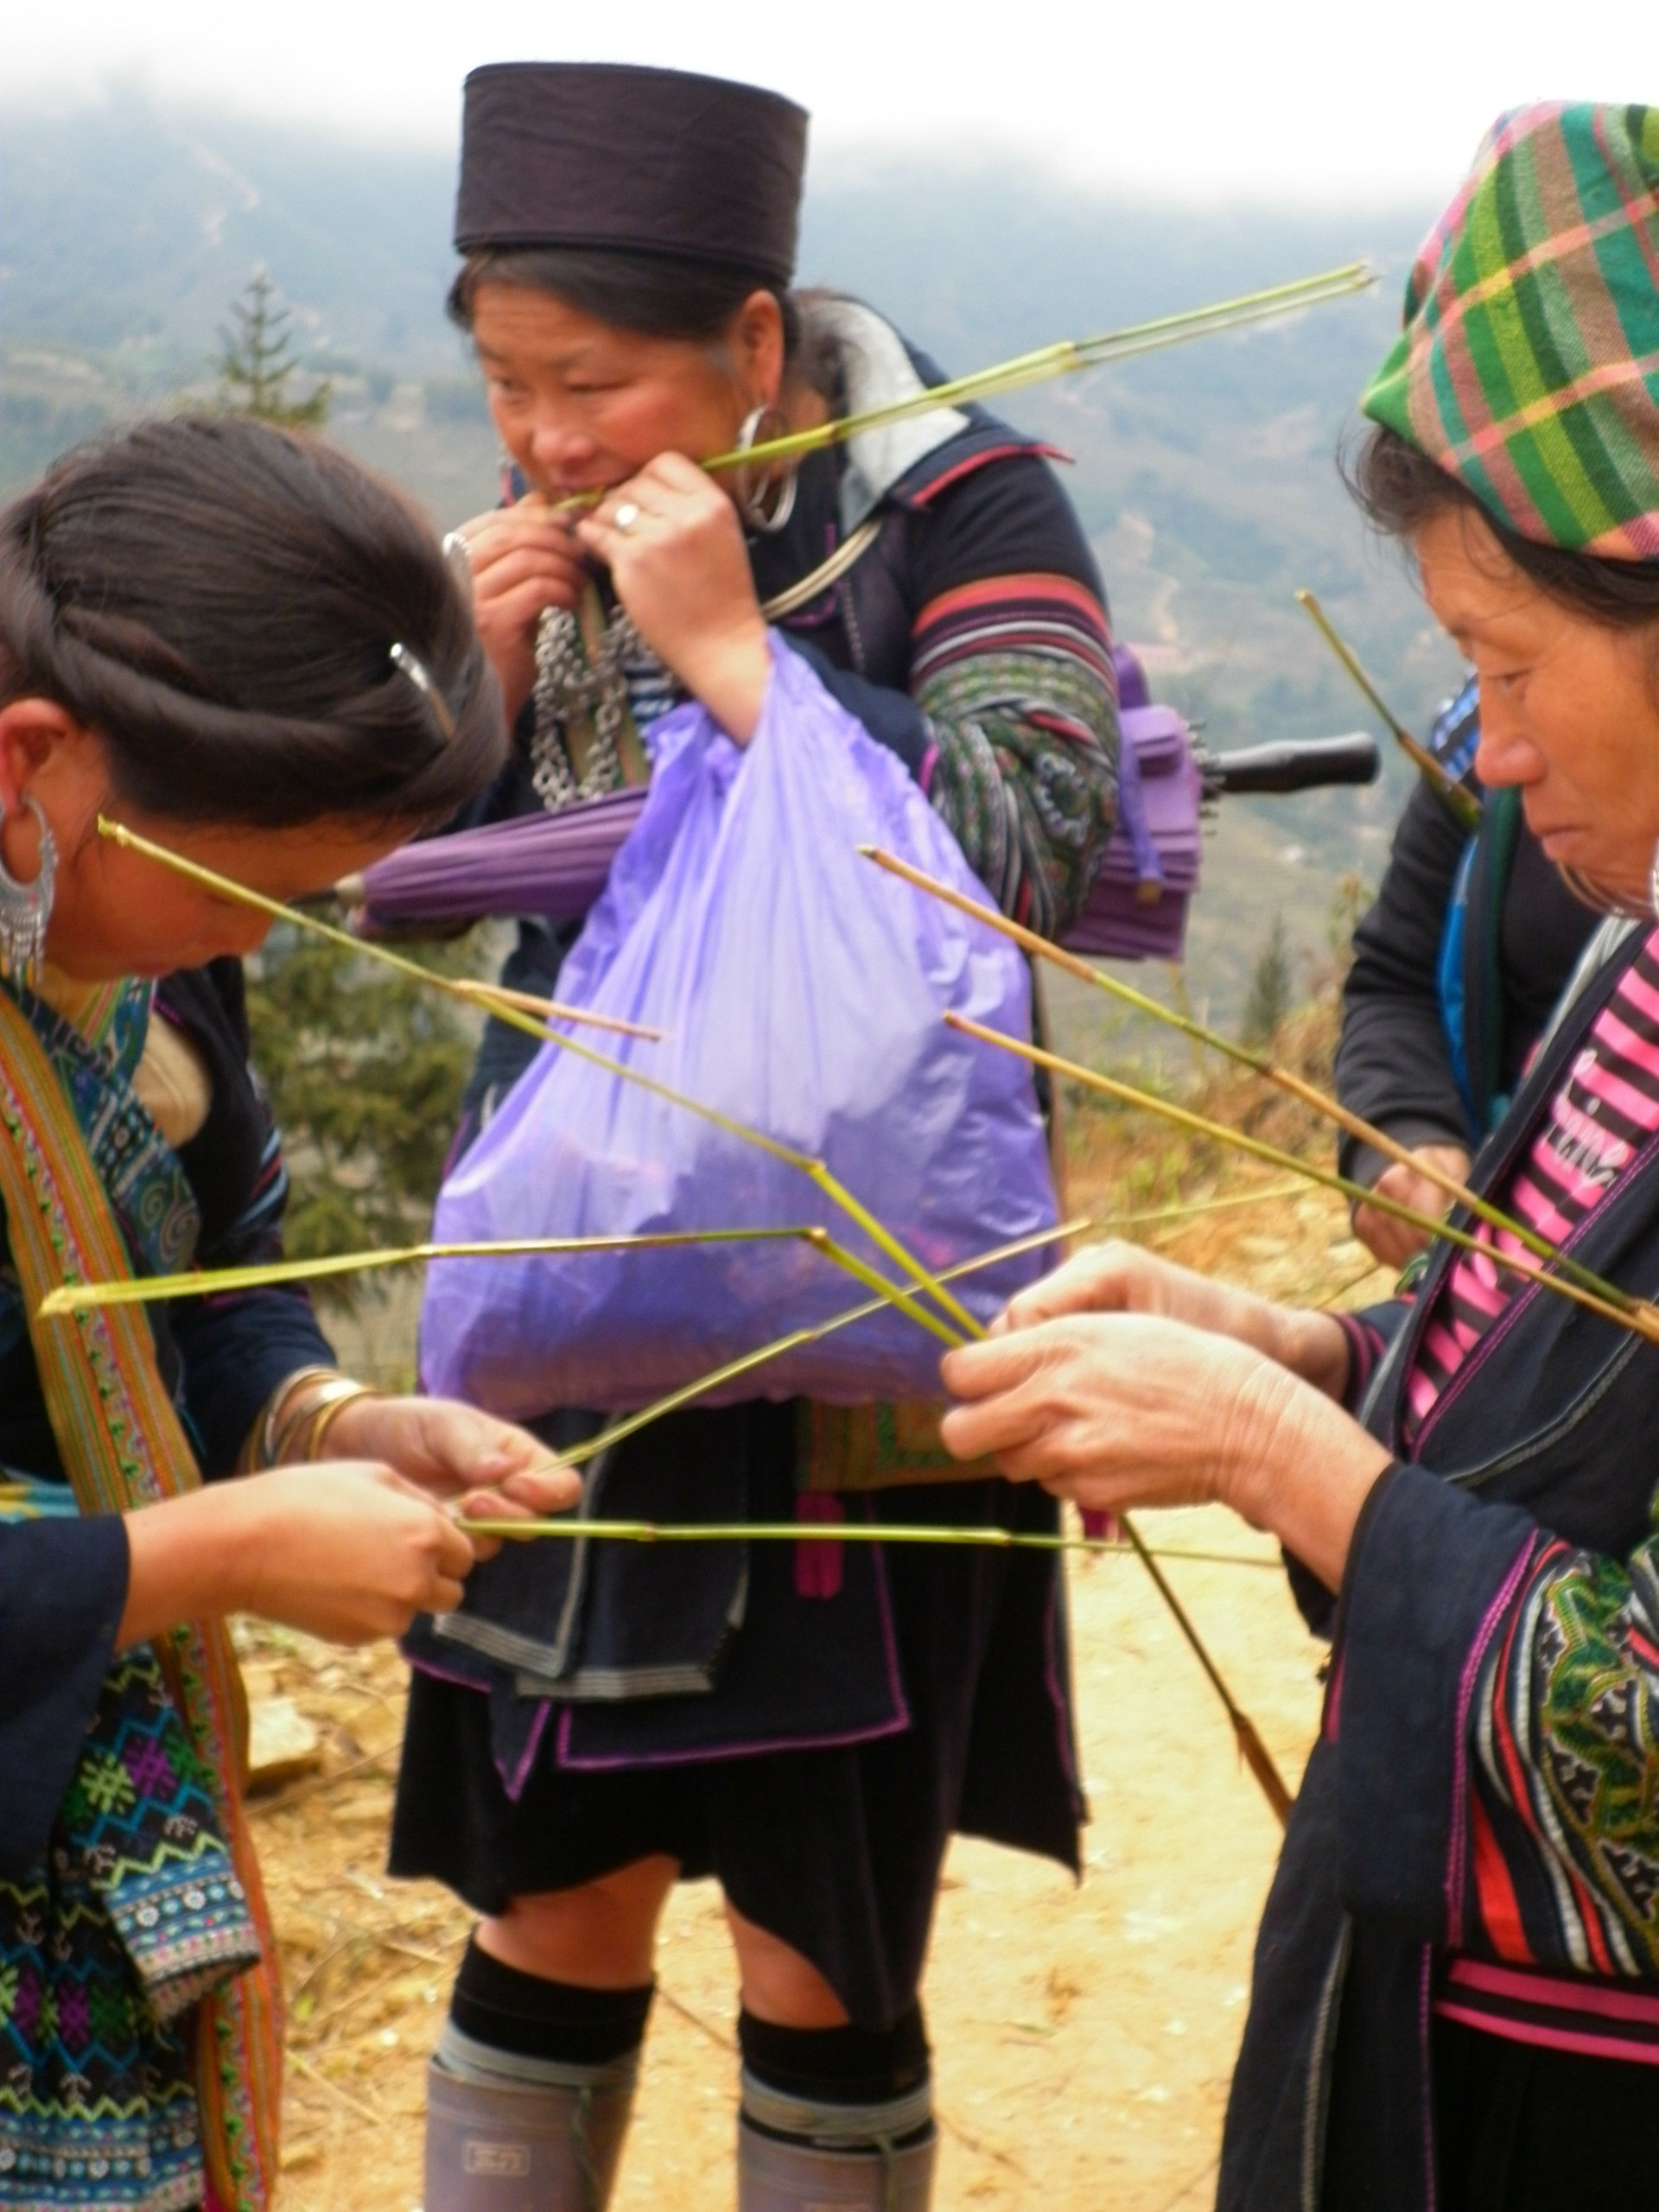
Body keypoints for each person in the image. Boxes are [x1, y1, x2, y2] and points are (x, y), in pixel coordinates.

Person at [389, 60, 1120, 2212]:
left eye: (588, 380)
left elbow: (1034, 840)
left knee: (822, 1928)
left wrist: (741, 665)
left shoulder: (959, 503)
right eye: (508, 382)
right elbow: (453, 870)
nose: (542, 435)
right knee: (543, 1884)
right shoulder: (555, 535)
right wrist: (465, 696)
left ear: (759, 346)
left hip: (848, 1327)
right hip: (576, 1287)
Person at [938, 102, 1659, 2210]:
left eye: (1508, 667)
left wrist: (1283, 1460)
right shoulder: (1635, 937)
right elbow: (1571, 1373)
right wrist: (1299, 1350)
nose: (1490, 752)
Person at [0, 415, 579, 2212]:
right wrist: (218, 1551)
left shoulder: (148, 973)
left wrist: (331, 1421)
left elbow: (220, 1294)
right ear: (43, 763)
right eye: (264, 881)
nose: (273, 933)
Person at [1336, 677, 1595, 1267]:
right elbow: (1397, 979)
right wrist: (1406, 1136)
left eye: (1519, 672)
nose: (1493, 755)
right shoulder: (1475, 742)